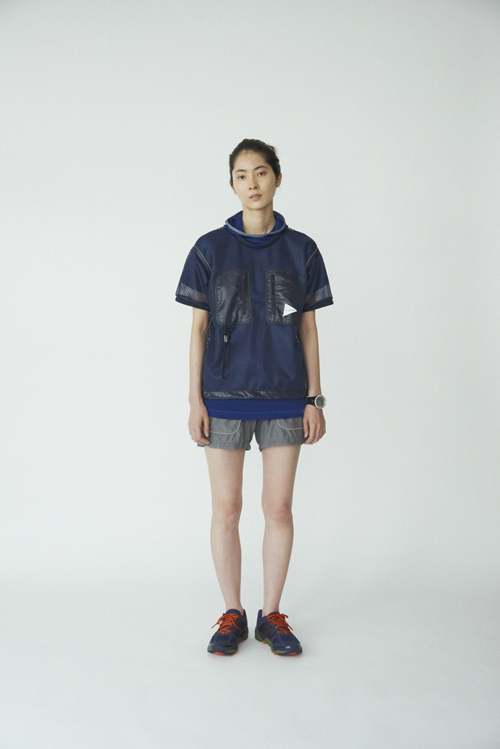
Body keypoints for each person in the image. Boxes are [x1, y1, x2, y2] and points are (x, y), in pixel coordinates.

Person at [175, 138, 333, 656]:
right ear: (232, 185)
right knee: (226, 508)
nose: (252, 183)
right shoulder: (208, 249)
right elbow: (198, 330)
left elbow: (308, 329)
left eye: (261, 172)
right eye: (242, 175)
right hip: (221, 396)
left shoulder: (302, 249)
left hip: (286, 396)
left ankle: (272, 614)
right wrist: (195, 401)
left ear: (277, 178)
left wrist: (314, 398)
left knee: (279, 508)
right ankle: (232, 613)